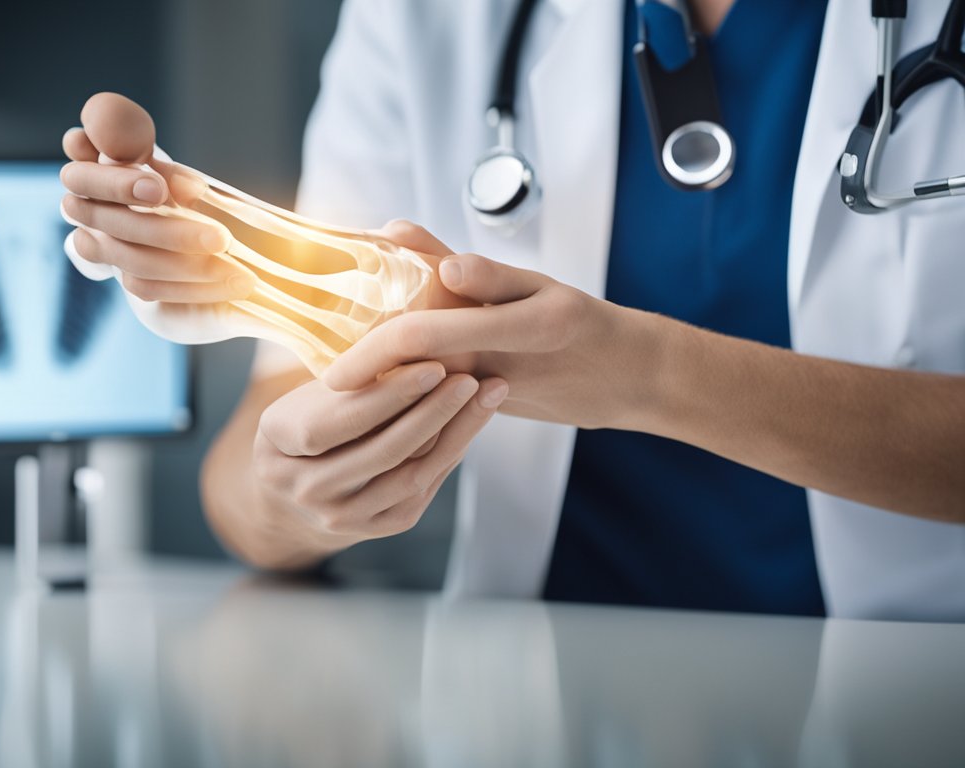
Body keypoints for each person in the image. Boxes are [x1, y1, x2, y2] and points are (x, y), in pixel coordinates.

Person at [60, 0, 965, 621]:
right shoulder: (428, 16)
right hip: (540, 694)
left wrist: (646, 376)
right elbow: (247, 488)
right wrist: (305, 488)